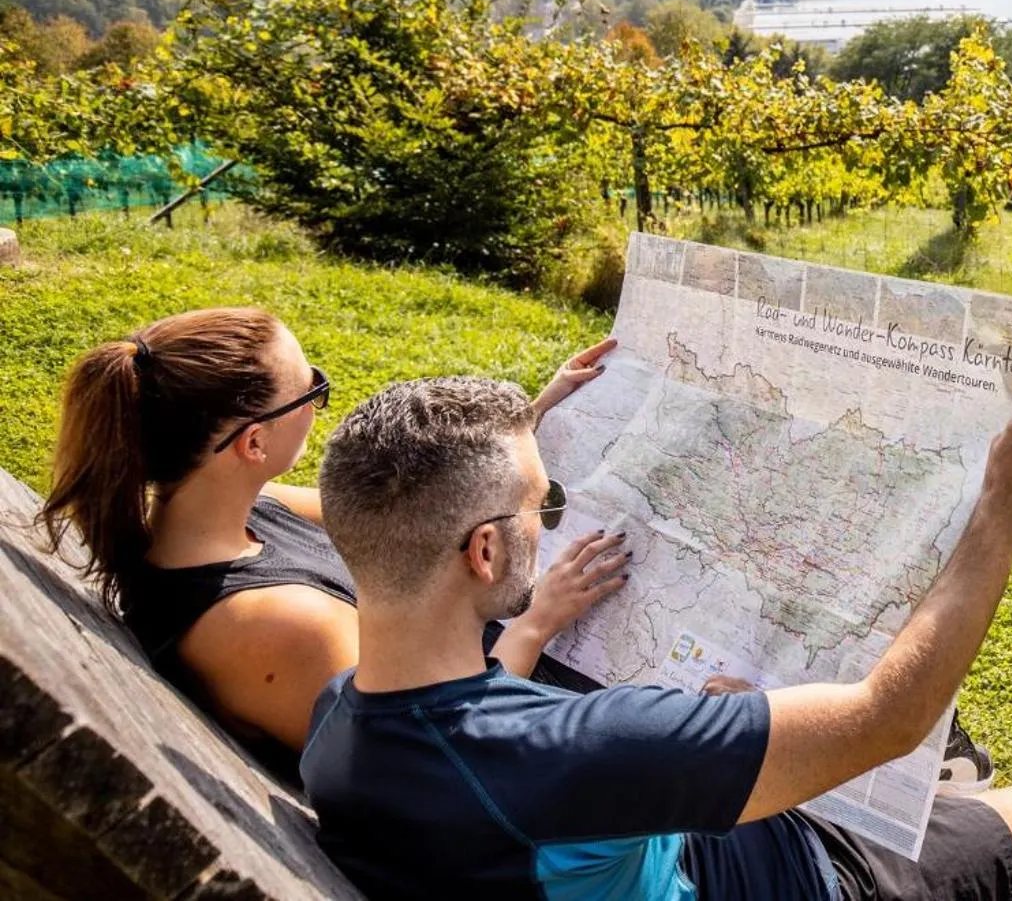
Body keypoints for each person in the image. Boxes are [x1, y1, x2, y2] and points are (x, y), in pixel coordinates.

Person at [304, 369, 1012, 901]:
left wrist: (536, 625)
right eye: (537, 503)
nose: (548, 512)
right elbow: (887, 717)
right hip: (777, 878)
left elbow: (513, 759)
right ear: (481, 553)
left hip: (640, 846)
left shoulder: (340, 722)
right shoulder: (584, 754)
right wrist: (1002, 509)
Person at [36, 306, 628, 781]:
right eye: (311, 389)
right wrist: (537, 623)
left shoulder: (233, 515)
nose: (321, 396)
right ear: (254, 445)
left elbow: (408, 512)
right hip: (512, 743)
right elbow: (442, 755)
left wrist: (528, 420)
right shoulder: (279, 624)